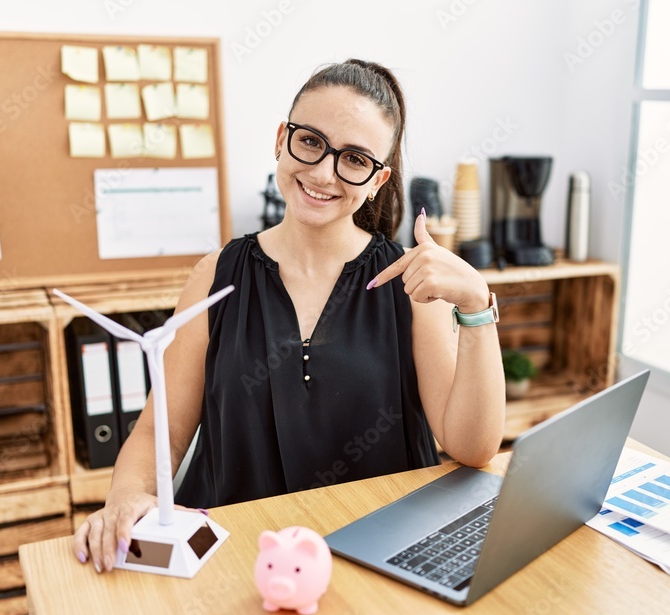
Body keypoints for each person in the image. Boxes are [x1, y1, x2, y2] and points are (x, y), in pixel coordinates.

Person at [73, 59, 505, 573]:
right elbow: (157, 433)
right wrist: (124, 496)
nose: (323, 173)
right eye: (311, 142)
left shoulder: (408, 284)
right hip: (235, 560)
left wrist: (477, 305)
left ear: (377, 179)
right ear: (282, 139)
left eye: (354, 159)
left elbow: (472, 448)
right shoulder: (216, 275)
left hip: (375, 559)